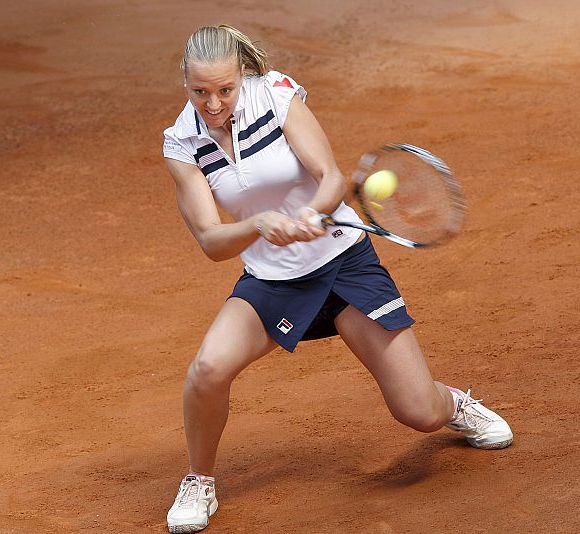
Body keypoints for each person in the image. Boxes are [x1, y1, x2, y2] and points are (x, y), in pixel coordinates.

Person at [162, 24, 513, 534]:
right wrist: (259, 225)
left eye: (225, 89)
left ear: (242, 75)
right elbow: (212, 242)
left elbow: (329, 176)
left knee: (419, 412)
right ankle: (199, 479)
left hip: (344, 264)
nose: (213, 103)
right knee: (207, 370)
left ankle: (454, 403)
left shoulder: (277, 96)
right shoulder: (182, 144)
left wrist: (311, 212)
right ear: (185, 84)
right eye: (200, 92)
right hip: (272, 282)